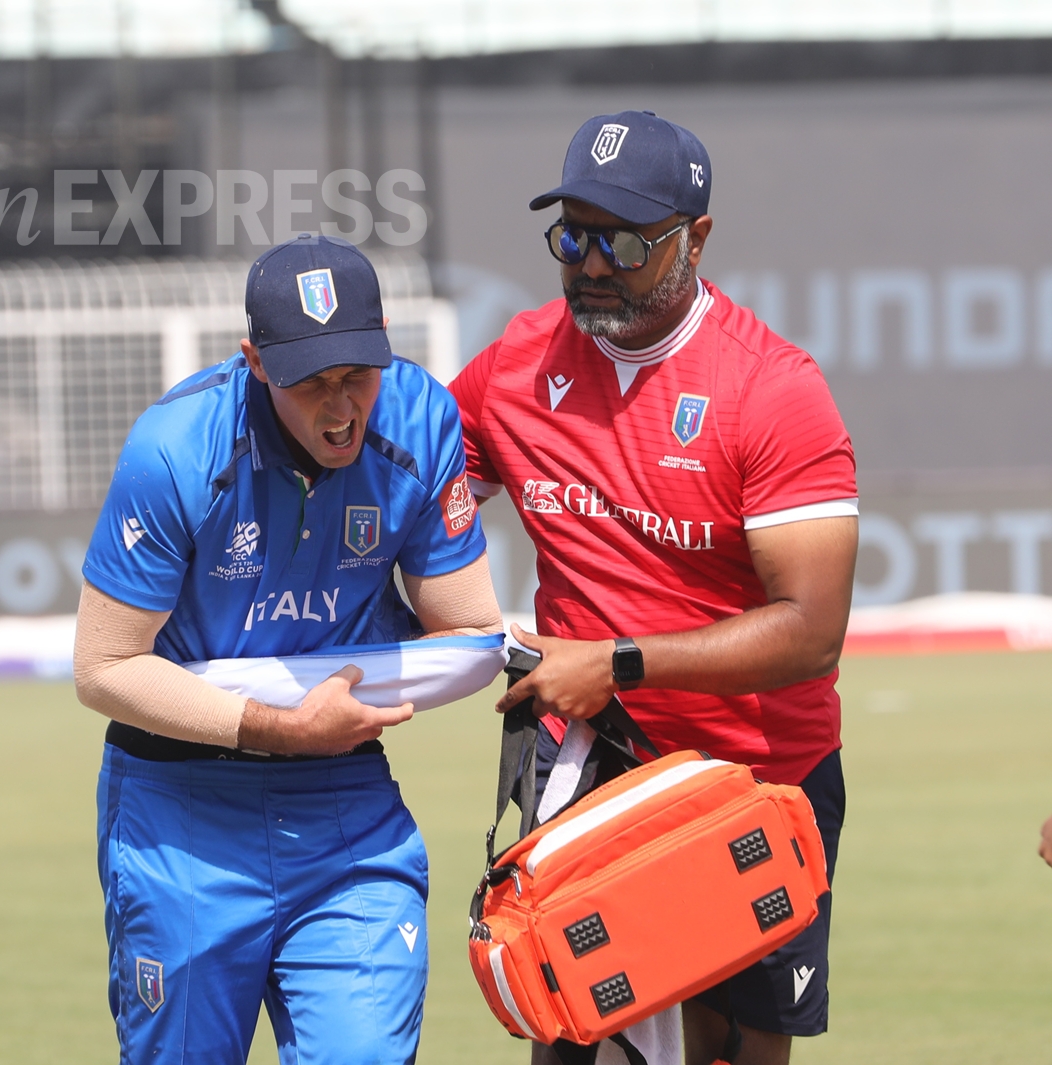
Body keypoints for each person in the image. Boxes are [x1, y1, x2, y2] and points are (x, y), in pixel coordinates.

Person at [449, 112, 858, 1065]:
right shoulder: (516, 363)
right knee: (576, 1034)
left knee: (733, 1049)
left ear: (696, 239)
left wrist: (616, 662)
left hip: (754, 778)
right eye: (573, 236)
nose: (592, 264)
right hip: (593, 766)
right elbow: (417, 506)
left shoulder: (774, 391)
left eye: (625, 242)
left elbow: (812, 632)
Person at [73, 233, 505, 1065]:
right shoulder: (175, 447)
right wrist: (280, 724)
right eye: (313, 382)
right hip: (178, 804)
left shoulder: (420, 419)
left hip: (346, 801)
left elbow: (467, 624)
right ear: (256, 362)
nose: (342, 409)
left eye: (359, 374)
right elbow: (104, 666)